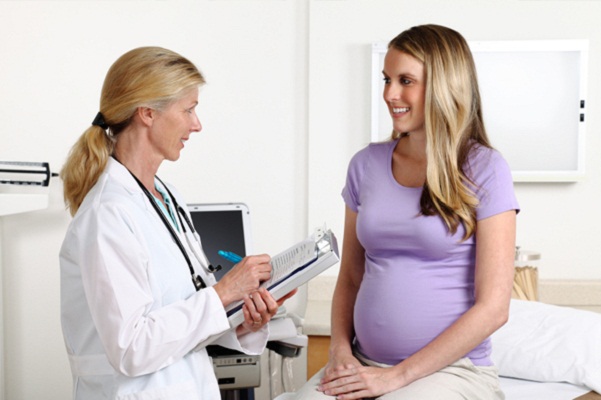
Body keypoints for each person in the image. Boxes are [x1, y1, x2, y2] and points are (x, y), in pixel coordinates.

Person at [291, 24, 519, 399]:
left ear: (444, 87)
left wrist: (396, 378)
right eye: (386, 79)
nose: (389, 94)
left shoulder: (485, 169)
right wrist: (340, 352)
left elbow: (494, 308)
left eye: (405, 80)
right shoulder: (365, 165)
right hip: (363, 363)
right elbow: (350, 275)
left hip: (453, 371)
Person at [59, 46, 294, 400]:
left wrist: (244, 320)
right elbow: (131, 348)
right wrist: (225, 292)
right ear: (147, 113)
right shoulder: (108, 213)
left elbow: (186, 315)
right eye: (188, 109)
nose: (197, 124)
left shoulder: (167, 199)